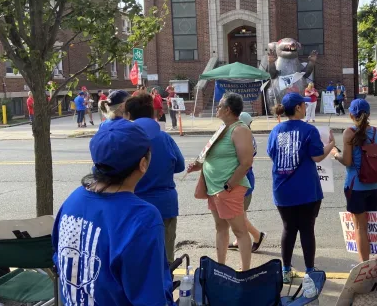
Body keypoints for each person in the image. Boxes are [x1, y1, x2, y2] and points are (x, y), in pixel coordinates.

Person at [52, 117, 175, 305]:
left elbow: (58, 258)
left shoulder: (74, 199)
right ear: (143, 164)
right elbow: (150, 297)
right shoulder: (141, 218)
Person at [267, 93, 335, 283]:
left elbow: (273, 155)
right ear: (298, 108)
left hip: (282, 189)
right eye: (303, 105)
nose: (306, 107)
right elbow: (317, 156)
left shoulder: (276, 130)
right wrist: (331, 144)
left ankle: (286, 270)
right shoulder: (308, 130)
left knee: (288, 229)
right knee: (307, 229)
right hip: (306, 190)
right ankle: (310, 271)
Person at [186, 93, 254, 271]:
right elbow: (215, 157)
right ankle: (221, 267)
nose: (217, 109)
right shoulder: (224, 128)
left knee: (239, 230)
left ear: (228, 109)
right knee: (220, 227)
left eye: (219, 106)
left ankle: (245, 270)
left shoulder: (240, 129)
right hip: (214, 187)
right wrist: (198, 166)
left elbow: (246, 162)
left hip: (228, 189)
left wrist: (229, 185)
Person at [125, 94, 185, 264]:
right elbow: (179, 166)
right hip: (164, 205)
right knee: (165, 259)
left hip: (134, 205)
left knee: (137, 259)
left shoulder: (126, 138)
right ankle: (165, 288)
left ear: (129, 115)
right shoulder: (164, 137)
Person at [332, 99, 377, 262]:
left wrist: (335, 154)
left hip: (356, 185)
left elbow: (347, 161)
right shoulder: (376, 132)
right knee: (372, 225)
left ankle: (365, 265)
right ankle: (375, 263)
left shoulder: (349, 132)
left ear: (351, 115)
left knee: (360, 228)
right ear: (368, 114)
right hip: (375, 185)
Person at [228, 112, 266, 253]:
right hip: (247, 177)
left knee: (238, 215)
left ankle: (257, 235)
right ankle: (239, 240)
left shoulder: (245, 139)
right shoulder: (248, 136)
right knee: (241, 213)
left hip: (243, 179)